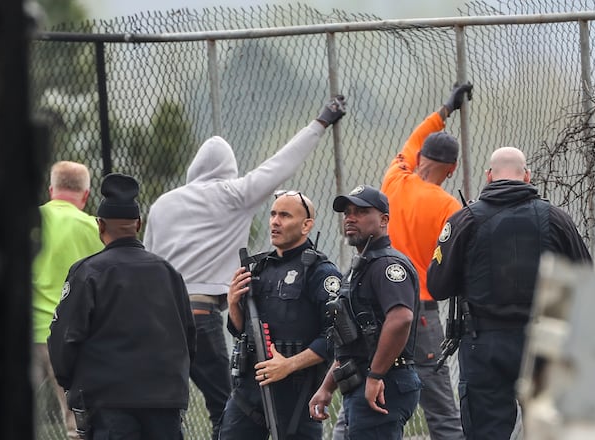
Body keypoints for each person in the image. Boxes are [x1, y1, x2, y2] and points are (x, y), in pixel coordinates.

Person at [142, 95, 346, 439]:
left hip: (158, 319)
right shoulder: (234, 194)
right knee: (223, 405)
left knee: (162, 410)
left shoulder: (163, 204)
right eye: (274, 214)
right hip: (201, 315)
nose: (275, 220)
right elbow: (280, 165)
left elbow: (146, 263)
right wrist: (320, 122)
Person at [427, 147, 592, 439]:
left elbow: (437, 286)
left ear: (489, 177)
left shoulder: (464, 220)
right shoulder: (556, 219)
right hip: (544, 343)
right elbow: (587, 281)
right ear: (527, 176)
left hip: (483, 345)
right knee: (548, 432)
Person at [48, 173, 196, 440]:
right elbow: (189, 337)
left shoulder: (88, 272)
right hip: (165, 400)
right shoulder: (169, 273)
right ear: (138, 224)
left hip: (109, 401)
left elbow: (64, 337)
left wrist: (71, 383)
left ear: (99, 225)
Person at [379, 83, 473, 440]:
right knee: (439, 407)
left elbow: (416, 137)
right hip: (420, 308)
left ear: (420, 159)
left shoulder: (394, 179)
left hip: (381, 304)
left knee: (367, 389)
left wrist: (445, 109)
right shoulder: (449, 207)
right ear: (452, 171)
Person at [218, 190, 343, 440]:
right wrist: (233, 303)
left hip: (297, 396)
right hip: (249, 392)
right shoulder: (260, 268)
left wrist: (289, 364)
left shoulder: (320, 272)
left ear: (306, 225)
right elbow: (242, 330)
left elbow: (335, 336)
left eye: (285, 215)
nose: (275, 221)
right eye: (273, 214)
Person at [309, 185, 422, 440]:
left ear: (383, 220)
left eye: (361, 211)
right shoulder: (361, 267)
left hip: (385, 382)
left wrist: (375, 375)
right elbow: (352, 338)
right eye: (348, 212)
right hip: (363, 380)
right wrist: (327, 388)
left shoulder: (386, 265)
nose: (350, 217)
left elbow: (401, 318)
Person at [31, 161, 104, 440]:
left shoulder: (30, 221)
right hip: (72, 340)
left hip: (28, 332)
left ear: (51, 190)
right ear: (86, 195)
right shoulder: (96, 229)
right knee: (78, 426)